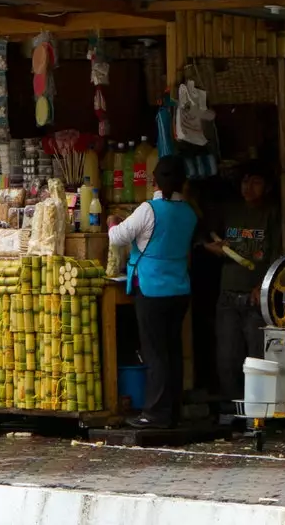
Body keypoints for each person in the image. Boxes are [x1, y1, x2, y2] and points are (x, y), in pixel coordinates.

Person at [108, 157, 198, 428]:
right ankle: (173, 411)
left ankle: (155, 413)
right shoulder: (189, 212)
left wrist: (113, 222)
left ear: (154, 182)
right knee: (172, 350)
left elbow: (117, 238)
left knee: (156, 352)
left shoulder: (149, 209)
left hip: (152, 289)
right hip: (179, 289)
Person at [204, 163, 281, 410]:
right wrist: (212, 248)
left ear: (267, 187)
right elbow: (203, 237)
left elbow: (278, 254)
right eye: (245, 182)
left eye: (256, 182)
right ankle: (234, 411)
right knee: (227, 359)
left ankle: (257, 411)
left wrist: (263, 285)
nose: (248, 188)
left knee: (257, 358)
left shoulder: (271, 214)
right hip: (228, 296)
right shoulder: (230, 211)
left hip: (255, 298)